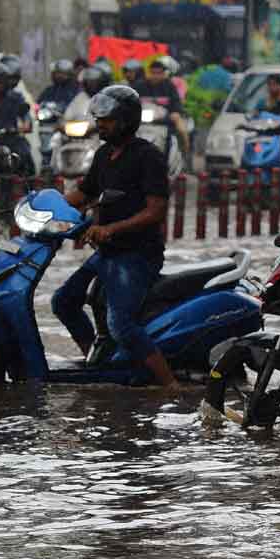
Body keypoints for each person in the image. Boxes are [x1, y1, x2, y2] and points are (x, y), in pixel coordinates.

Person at [52, 85, 178, 392]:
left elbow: (156, 211)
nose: (100, 125)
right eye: (99, 119)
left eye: (106, 120)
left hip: (136, 254)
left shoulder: (148, 157)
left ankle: (170, 385)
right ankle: (97, 363)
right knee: (64, 301)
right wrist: (45, 203)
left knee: (120, 324)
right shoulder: (104, 155)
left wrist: (111, 229)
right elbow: (84, 194)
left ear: (125, 121)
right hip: (107, 252)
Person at [133, 57, 188, 160]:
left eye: (158, 73)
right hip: (141, 123)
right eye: (153, 73)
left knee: (182, 130)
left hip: (164, 121)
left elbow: (176, 103)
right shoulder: (139, 86)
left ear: (163, 74)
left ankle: (184, 156)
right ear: (148, 73)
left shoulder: (170, 87)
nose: (155, 76)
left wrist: (175, 113)